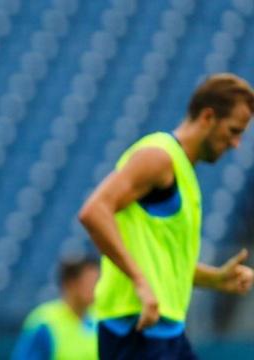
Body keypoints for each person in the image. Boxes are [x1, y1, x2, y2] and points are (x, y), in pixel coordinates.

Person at [78, 73, 254, 359]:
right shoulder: (158, 157)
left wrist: (216, 279)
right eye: (234, 131)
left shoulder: (183, 172)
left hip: (164, 331)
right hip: (136, 328)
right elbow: (94, 211)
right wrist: (140, 282)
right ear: (208, 117)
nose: (236, 144)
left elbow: (163, 264)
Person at [11, 256, 99, 360]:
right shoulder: (44, 322)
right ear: (71, 284)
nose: (97, 289)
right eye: (91, 283)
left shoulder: (100, 319)